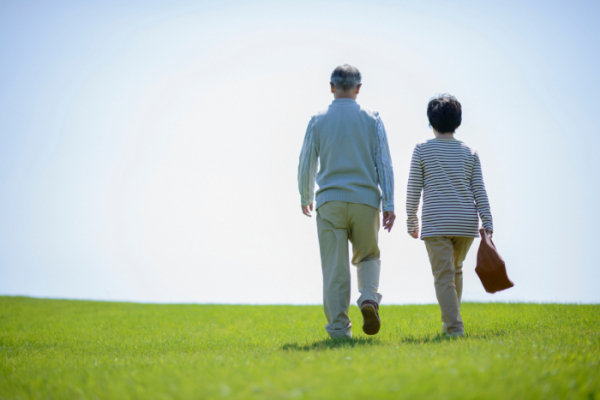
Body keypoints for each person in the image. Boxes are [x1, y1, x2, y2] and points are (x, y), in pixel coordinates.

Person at [298, 64, 395, 339]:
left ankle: (340, 330)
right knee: (368, 256)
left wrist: (305, 195)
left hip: (329, 202)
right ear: (358, 88)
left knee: (335, 269)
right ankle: (367, 298)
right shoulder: (372, 118)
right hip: (365, 200)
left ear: (331, 87)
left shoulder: (317, 120)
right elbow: (384, 163)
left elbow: (306, 162)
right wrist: (388, 203)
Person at [406, 94, 493, 337]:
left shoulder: (422, 149)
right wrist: (487, 222)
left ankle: (454, 328)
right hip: (465, 224)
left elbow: (414, 187)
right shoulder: (470, 152)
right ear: (458, 122)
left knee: (444, 276)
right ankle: (451, 325)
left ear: (431, 122)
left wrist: (411, 220)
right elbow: (479, 189)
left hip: (436, 224)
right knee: (456, 271)